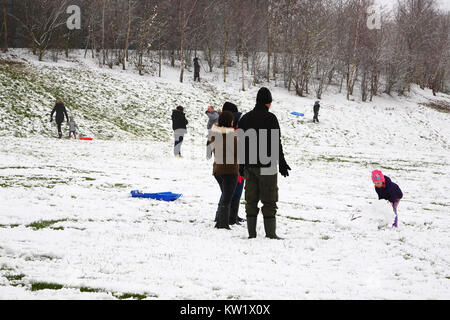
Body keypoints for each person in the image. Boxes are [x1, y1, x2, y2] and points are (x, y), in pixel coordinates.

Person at [238, 87, 291, 239]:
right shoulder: (271, 118)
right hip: (267, 166)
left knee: (251, 200)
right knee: (269, 200)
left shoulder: (245, 118)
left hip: (249, 165)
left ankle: (252, 234)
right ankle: (271, 234)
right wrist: (282, 162)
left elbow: (241, 145)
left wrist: (241, 165)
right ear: (268, 103)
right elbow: (276, 143)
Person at [214, 102, 245, 225]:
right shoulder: (224, 130)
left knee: (234, 192)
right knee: (228, 193)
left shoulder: (227, 128)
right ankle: (221, 217)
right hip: (230, 167)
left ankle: (232, 216)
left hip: (234, 165)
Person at [209, 111, 239, 230]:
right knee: (227, 199)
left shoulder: (214, 133)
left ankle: (220, 222)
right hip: (230, 170)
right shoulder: (231, 135)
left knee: (225, 196)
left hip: (218, 169)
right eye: (231, 120)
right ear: (229, 121)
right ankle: (223, 224)